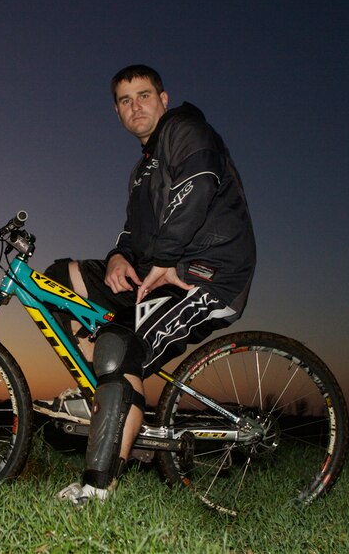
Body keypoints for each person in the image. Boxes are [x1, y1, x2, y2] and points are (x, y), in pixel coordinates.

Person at [47, 65, 256, 504]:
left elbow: (199, 185)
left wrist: (163, 260)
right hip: (157, 273)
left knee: (120, 351)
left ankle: (97, 490)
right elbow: (132, 233)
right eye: (125, 100)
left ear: (163, 98)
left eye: (144, 95)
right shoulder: (141, 170)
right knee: (56, 278)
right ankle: (116, 399)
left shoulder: (185, 129)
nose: (135, 106)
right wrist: (120, 257)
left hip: (207, 274)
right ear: (117, 112)